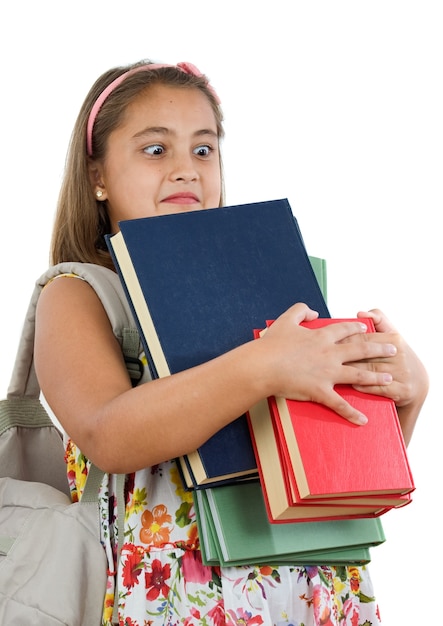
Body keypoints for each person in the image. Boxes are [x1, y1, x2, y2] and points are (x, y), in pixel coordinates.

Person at [34, 59, 428, 626]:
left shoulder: (272, 286)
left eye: (203, 149)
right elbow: (106, 436)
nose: (186, 170)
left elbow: (337, 483)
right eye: (154, 149)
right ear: (97, 175)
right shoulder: (81, 292)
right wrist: (263, 367)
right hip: (174, 596)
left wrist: (405, 395)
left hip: (313, 587)